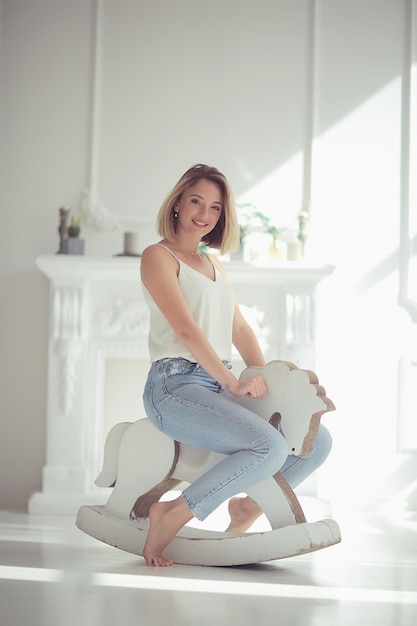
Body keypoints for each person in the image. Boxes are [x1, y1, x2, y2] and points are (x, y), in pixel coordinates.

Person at [140, 163, 332, 566]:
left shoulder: (211, 262)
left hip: (213, 385)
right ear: (177, 203)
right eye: (196, 201)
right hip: (174, 386)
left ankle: (247, 508)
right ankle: (172, 512)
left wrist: (269, 381)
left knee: (317, 443)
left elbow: (239, 327)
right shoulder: (158, 256)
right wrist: (231, 381)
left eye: (214, 207)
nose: (204, 214)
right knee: (270, 445)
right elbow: (187, 330)